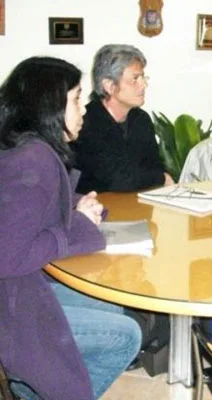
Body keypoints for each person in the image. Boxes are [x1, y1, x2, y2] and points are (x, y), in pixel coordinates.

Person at [0, 57, 141, 399]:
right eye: (77, 99)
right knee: (127, 335)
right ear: (50, 106)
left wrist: (75, 204)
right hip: (11, 306)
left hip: (20, 289)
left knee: (111, 306)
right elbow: (8, 257)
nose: (82, 109)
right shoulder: (34, 158)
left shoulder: (23, 146)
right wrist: (77, 225)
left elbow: (24, 206)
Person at [71, 44, 173, 193]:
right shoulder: (86, 123)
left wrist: (158, 177)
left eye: (143, 77)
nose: (144, 84)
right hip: (98, 208)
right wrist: (161, 178)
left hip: (140, 204)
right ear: (109, 86)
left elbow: (154, 166)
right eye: (135, 79)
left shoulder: (141, 119)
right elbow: (115, 180)